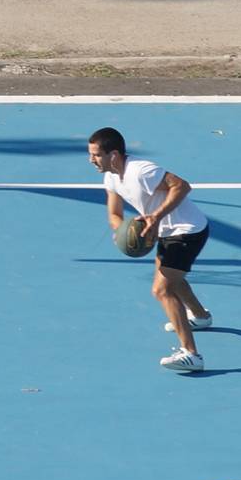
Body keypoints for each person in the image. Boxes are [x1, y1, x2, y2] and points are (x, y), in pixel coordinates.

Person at [87, 127, 212, 373]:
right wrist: (123, 231)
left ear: (113, 155)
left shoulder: (141, 171)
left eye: (96, 155)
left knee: (161, 289)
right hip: (165, 232)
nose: (91, 160)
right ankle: (200, 317)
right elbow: (114, 214)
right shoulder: (111, 176)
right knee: (173, 280)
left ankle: (192, 355)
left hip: (187, 231)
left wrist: (155, 217)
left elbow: (182, 186)